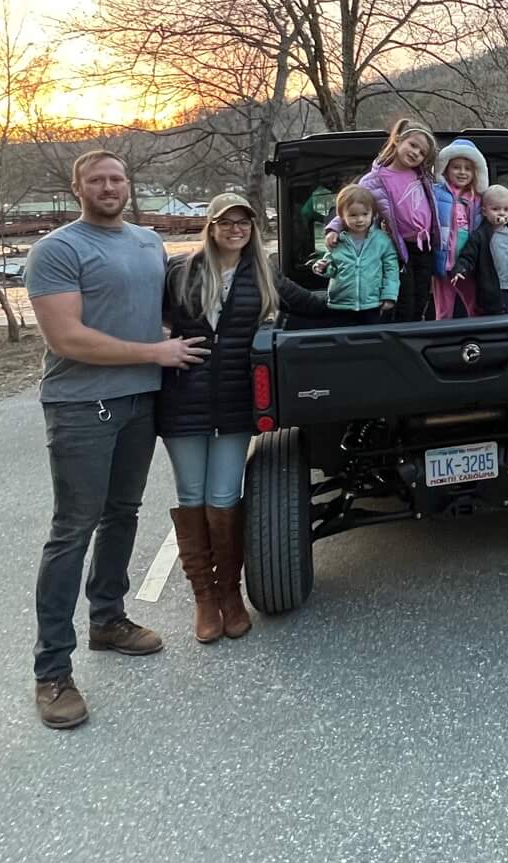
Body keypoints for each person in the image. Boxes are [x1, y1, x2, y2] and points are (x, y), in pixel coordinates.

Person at [25, 149, 201, 731]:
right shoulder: (58, 250)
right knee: (72, 529)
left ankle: (108, 619)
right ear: (77, 187)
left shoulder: (149, 243)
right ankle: (52, 671)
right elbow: (68, 338)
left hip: (141, 400)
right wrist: (156, 352)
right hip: (81, 405)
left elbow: (161, 310)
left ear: (130, 184)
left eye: (117, 178)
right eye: (97, 179)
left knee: (123, 513)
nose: (109, 186)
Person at [158, 191, 329, 646]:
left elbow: (310, 304)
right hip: (184, 404)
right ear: (211, 226)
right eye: (226, 222)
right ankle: (205, 598)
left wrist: (366, 302)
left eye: (244, 223)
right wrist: (161, 351)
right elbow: (153, 322)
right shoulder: (182, 271)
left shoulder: (263, 273)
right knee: (191, 496)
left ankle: (231, 595)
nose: (236, 229)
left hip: (235, 404)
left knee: (224, 495)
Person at [330, 117, 439, 322]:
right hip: (400, 249)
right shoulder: (375, 179)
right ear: (397, 140)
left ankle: (417, 332)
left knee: (423, 296)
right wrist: (334, 228)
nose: (416, 153)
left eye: (422, 152)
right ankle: (404, 339)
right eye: (413, 145)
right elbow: (352, 204)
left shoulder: (423, 175)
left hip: (425, 246)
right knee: (405, 300)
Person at [312, 183, 399, 323]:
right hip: (340, 304)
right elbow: (331, 268)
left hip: (372, 304)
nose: (359, 220)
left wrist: (389, 295)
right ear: (342, 216)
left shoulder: (382, 240)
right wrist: (322, 267)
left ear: (373, 214)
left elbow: (391, 270)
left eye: (365, 214)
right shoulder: (338, 240)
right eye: (353, 215)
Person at [451, 183, 508, 314]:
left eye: (506, 209)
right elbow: (468, 256)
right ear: (484, 211)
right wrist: (460, 269)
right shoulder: (480, 235)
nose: (501, 213)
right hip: (493, 292)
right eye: (495, 209)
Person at [429, 137, 488, 319]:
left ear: (475, 171)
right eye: (456, 167)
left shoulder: (478, 198)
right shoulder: (435, 192)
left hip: (467, 264)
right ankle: (442, 341)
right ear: (445, 168)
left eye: (468, 168)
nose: (462, 172)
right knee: (443, 310)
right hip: (443, 262)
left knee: (476, 306)